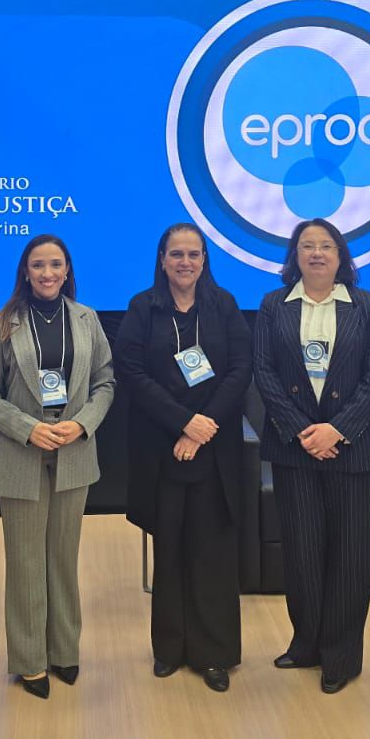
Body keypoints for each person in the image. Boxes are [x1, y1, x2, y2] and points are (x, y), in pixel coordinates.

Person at [251, 217, 370, 695]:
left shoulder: (366, 306)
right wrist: (302, 430)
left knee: (350, 556)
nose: (316, 253)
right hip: (295, 448)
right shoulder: (274, 306)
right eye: (306, 246)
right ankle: (306, 642)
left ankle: (341, 656)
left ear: (341, 256)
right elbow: (264, 373)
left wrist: (336, 429)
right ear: (294, 257)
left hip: (351, 448)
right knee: (304, 553)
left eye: (326, 246)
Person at [0, 234, 114, 699]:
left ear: (68, 270)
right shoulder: (2, 323)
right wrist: (27, 428)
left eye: (56, 264)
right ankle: (30, 660)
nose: (48, 273)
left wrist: (83, 425)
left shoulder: (88, 320)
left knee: (64, 559)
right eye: (38, 265)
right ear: (26, 272)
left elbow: (105, 382)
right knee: (25, 562)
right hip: (21, 451)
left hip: (74, 451)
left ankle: (64, 651)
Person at [115, 223, 251, 692]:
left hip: (213, 450)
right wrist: (182, 423)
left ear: (204, 259)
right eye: (177, 254)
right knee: (170, 551)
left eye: (194, 254)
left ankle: (213, 654)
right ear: (162, 260)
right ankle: (169, 648)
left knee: (212, 553)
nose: (186, 262)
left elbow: (239, 368)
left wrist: (203, 426)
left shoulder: (224, 304)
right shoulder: (142, 308)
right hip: (163, 447)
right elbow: (130, 372)